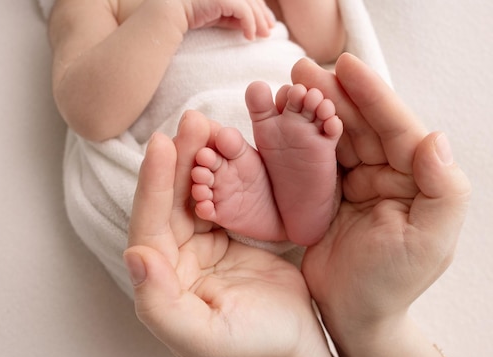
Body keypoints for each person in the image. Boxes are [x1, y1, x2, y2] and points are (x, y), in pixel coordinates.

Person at [124, 53, 493, 357]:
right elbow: (89, 110)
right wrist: (169, 14)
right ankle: (288, 205)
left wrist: (303, 356)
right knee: (260, 131)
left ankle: (284, 205)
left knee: (235, 149)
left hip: (217, 201)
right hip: (234, 187)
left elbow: (325, 33)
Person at [48, 0, 345, 247]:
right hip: (204, 142)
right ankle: (274, 208)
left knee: (300, 112)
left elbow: (325, 41)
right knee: (213, 153)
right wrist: (175, 12)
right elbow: (90, 112)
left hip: (275, 105)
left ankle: (298, 197)